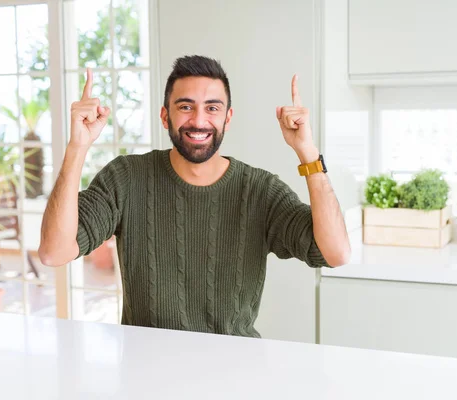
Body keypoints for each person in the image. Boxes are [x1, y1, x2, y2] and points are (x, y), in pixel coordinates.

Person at [39, 55, 350, 338]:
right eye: (185, 106)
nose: (199, 121)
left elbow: (336, 253)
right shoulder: (127, 177)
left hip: (236, 371)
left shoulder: (260, 190)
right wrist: (77, 147)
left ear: (227, 118)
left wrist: (307, 152)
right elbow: (54, 252)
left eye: (212, 108)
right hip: (147, 372)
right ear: (165, 117)